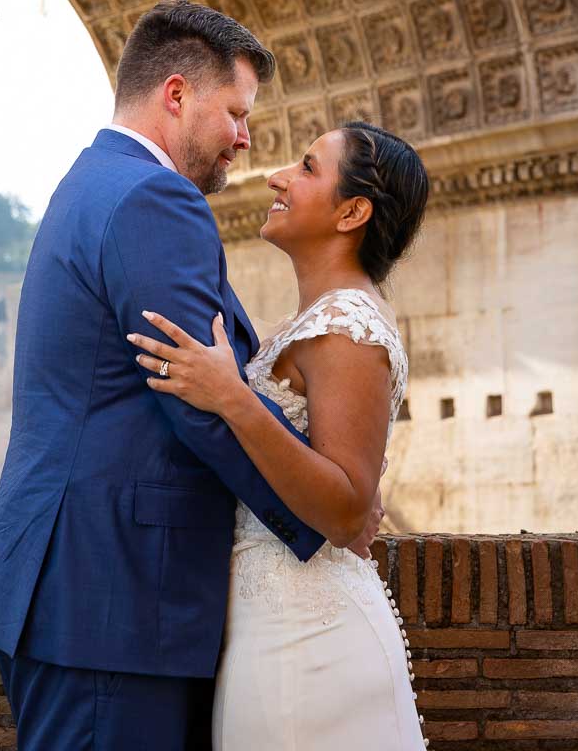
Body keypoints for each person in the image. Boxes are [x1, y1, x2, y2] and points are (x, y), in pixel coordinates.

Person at [0, 0, 383, 750]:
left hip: (83, 590)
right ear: (178, 94)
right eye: (235, 112)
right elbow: (194, 399)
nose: (245, 140)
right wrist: (326, 509)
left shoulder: (92, 179)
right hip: (111, 602)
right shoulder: (156, 198)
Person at [130, 120, 430, 749]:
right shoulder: (319, 321)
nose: (276, 177)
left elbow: (348, 512)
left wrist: (234, 399)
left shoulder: (347, 328)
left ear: (352, 212)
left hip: (306, 642)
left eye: (307, 167)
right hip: (274, 629)